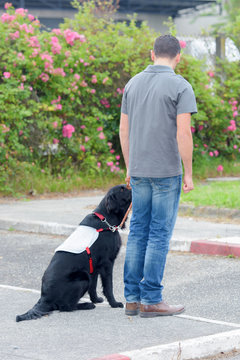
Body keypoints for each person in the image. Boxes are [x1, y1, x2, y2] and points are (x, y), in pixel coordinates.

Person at [119, 35, 197, 318]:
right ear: (178, 56)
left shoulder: (132, 84)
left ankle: (131, 299)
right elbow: (183, 133)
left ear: (152, 54)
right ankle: (151, 299)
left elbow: (124, 130)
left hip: (138, 170)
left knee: (138, 231)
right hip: (166, 172)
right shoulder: (180, 86)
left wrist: (129, 166)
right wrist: (188, 172)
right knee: (159, 234)